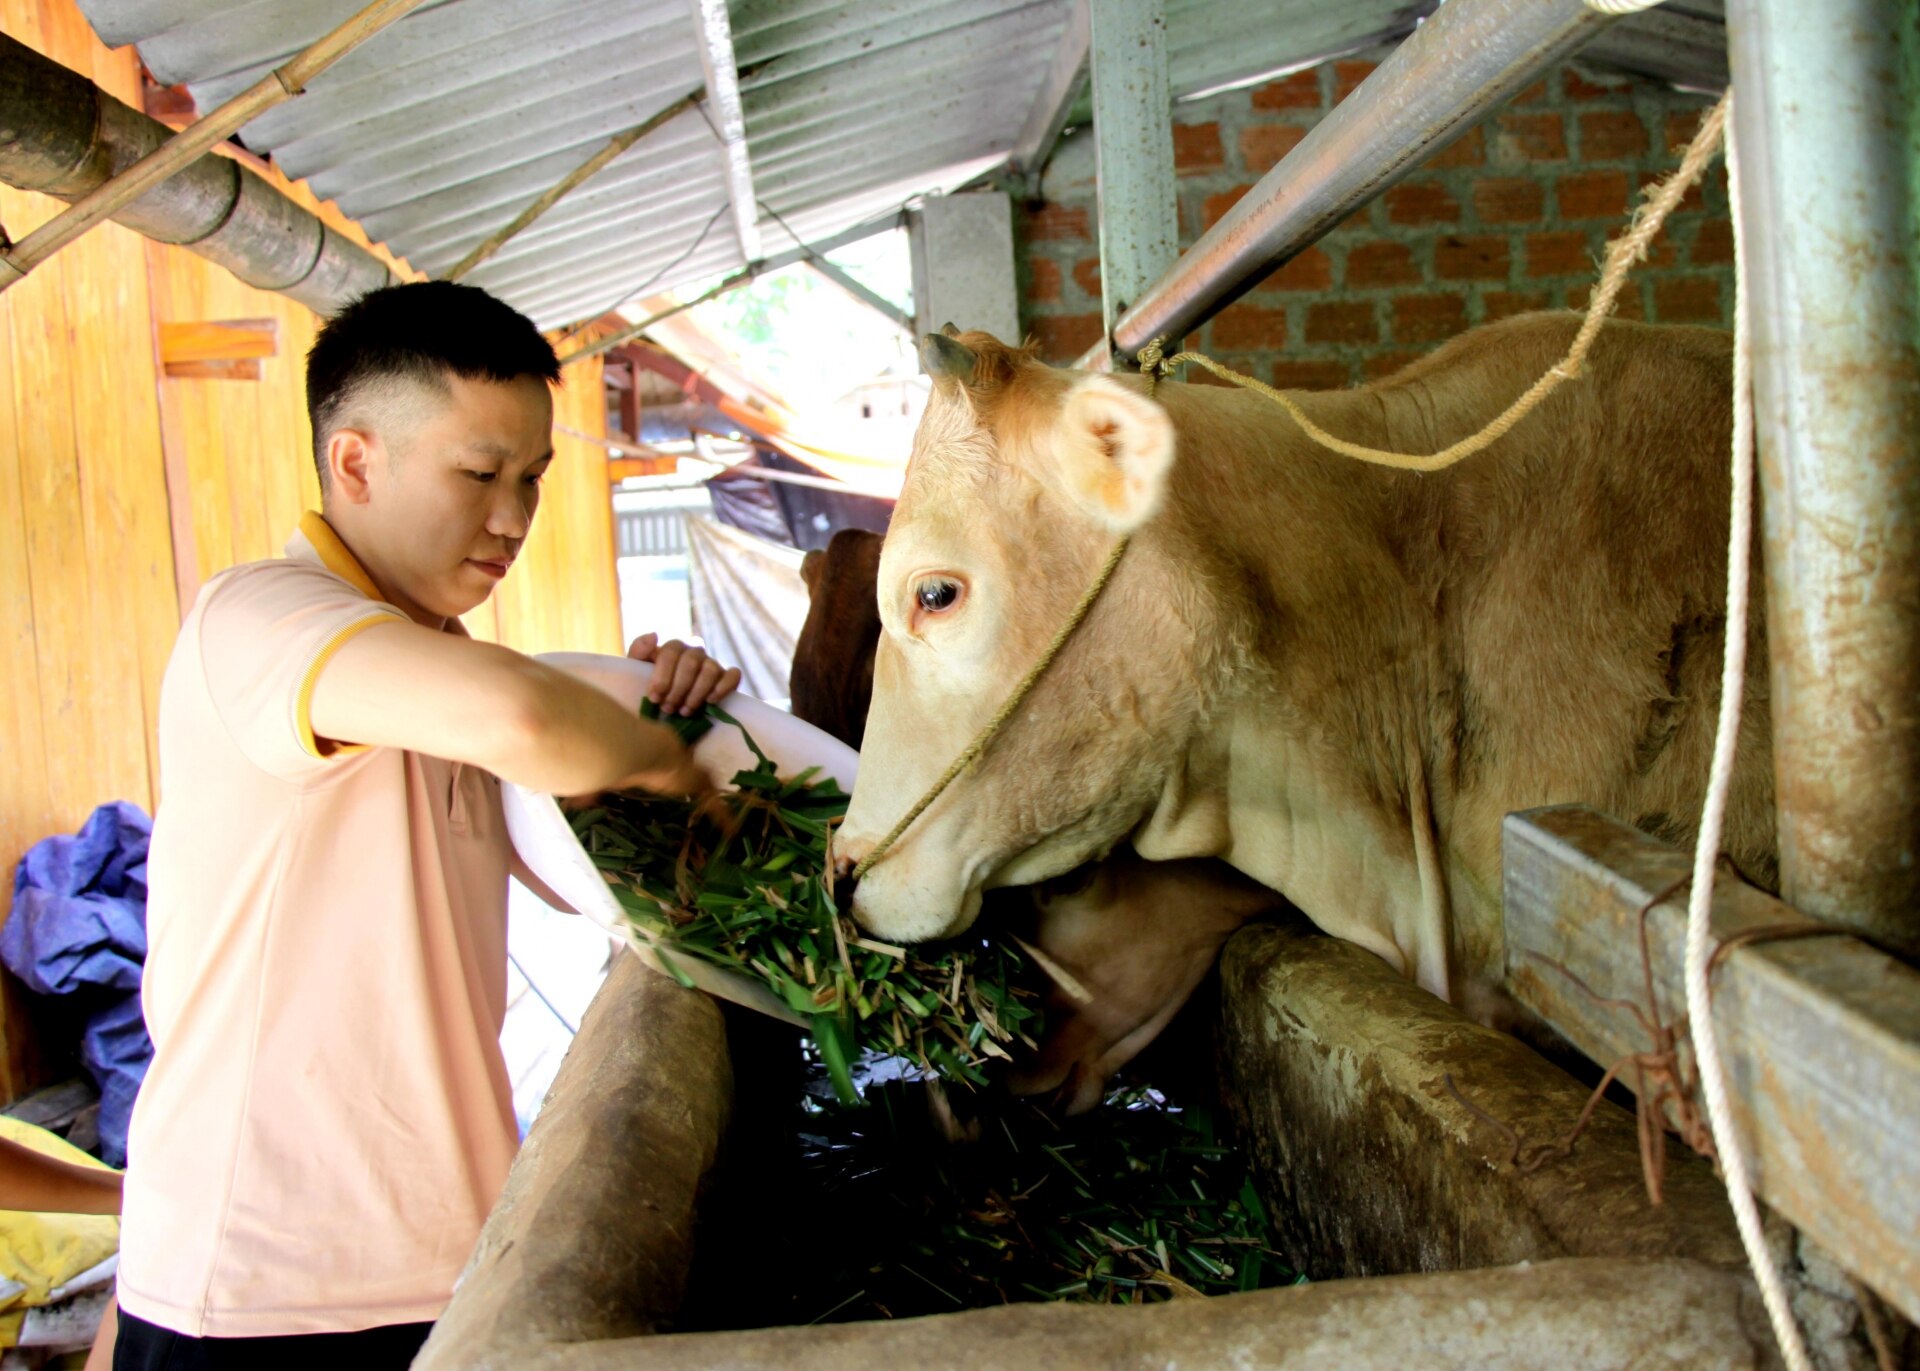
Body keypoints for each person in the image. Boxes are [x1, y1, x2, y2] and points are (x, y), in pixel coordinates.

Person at [112, 281, 740, 1370]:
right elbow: (519, 714)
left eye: (534, 480)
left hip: (448, 1264)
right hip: (266, 1291)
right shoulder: (260, 619)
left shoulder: (438, 659)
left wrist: (663, 699)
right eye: (480, 475)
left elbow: (583, 848)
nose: (513, 519)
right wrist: (665, 758)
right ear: (356, 464)